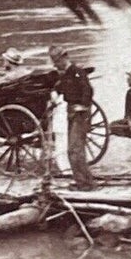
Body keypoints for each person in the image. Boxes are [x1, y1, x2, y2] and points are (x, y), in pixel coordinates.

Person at [48, 44, 97, 189]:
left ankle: (84, 184)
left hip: (80, 113)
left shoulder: (77, 72)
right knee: (73, 149)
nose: (56, 65)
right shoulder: (66, 74)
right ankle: (84, 180)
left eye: (57, 61)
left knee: (75, 149)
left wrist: (83, 105)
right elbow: (60, 88)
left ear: (64, 58)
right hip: (72, 112)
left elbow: (88, 90)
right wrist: (54, 96)